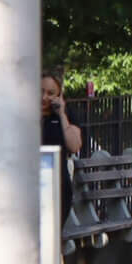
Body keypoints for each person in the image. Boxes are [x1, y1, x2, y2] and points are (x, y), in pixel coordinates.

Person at [43, 72, 85, 222]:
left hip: (58, 185)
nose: (44, 98)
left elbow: (74, 146)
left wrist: (61, 115)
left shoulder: (66, 116)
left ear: (59, 95)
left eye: (50, 93)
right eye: (41, 92)